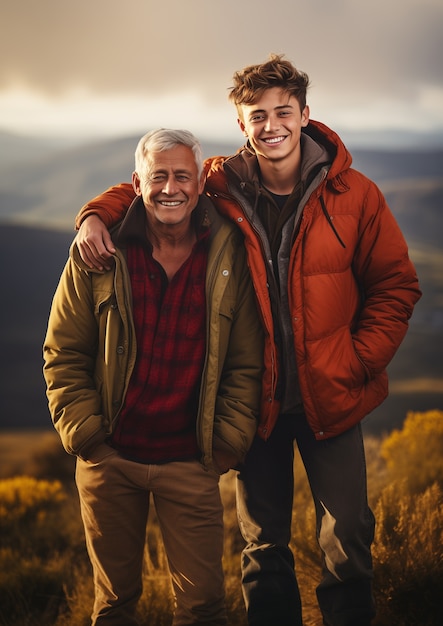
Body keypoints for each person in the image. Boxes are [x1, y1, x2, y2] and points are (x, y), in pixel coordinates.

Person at [73, 55, 421, 626]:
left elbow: (396, 286)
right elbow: (150, 184)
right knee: (263, 547)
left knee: (349, 539)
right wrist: (93, 217)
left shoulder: (355, 194)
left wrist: (358, 361)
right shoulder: (219, 184)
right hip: (253, 400)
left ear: (305, 115)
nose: (271, 125)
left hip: (332, 393)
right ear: (241, 124)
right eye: (256, 115)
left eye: (283, 111)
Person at [43, 128, 264, 626]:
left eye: (182, 176)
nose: (171, 188)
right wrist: (88, 438)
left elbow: (246, 362)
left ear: (199, 183)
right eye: (158, 176)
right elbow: (63, 351)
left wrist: (225, 445)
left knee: (205, 607)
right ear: (137, 181)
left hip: (191, 461)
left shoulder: (227, 251)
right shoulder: (100, 251)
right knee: (115, 605)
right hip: (110, 459)